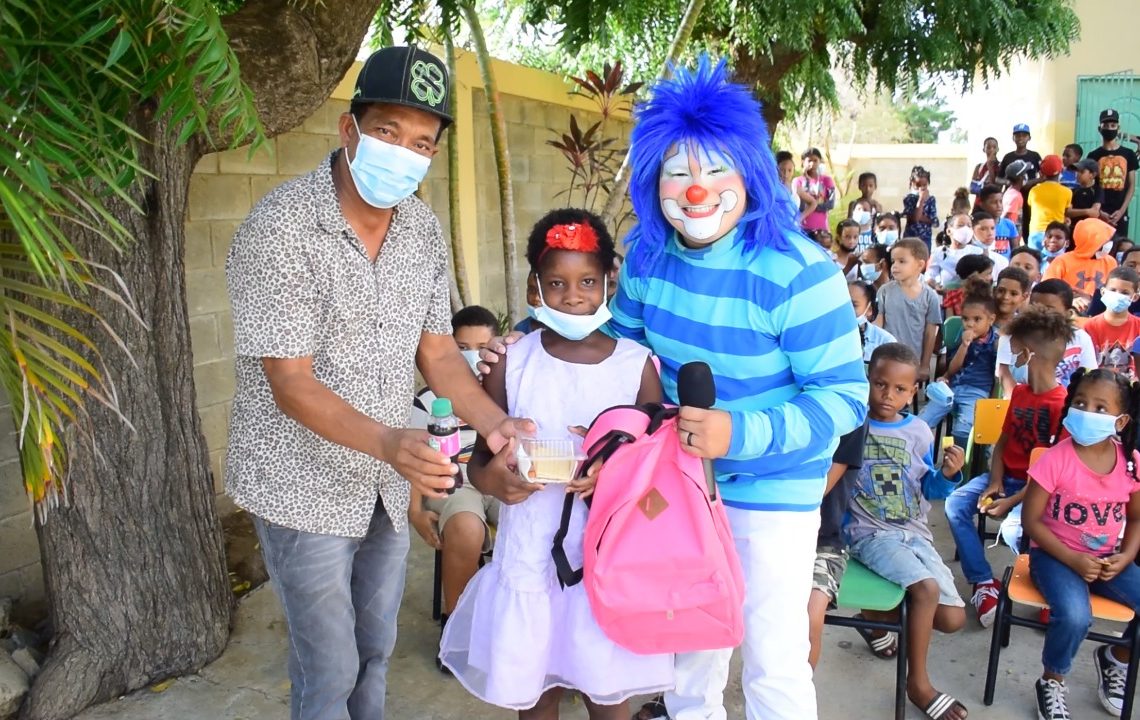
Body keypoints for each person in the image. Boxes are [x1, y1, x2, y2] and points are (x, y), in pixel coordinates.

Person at [482, 56, 869, 720]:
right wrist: (523, 338)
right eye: (678, 173)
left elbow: (843, 398)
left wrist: (739, 433)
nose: (697, 191)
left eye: (716, 170)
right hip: (678, 483)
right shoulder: (648, 259)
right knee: (687, 660)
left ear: (748, 172)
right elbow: (610, 341)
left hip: (775, 495)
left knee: (773, 664)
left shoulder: (801, 272)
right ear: (653, 181)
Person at [224, 46, 532, 720]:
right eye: (388, 132)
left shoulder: (420, 229)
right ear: (349, 129)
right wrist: (393, 443)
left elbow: (440, 355)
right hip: (300, 484)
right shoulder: (280, 228)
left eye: (422, 142)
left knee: (376, 648)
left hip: (388, 483)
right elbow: (290, 381)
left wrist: (495, 422)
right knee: (328, 667)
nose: (404, 153)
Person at [439, 210, 671, 717]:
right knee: (534, 691)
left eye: (587, 281)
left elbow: (657, 471)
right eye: (557, 283)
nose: (573, 295)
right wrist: (498, 484)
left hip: (605, 557)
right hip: (531, 553)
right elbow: (480, 464)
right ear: (535, 288)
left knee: (607, 693)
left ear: (609, 281)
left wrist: (614, 473)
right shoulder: (511, 363)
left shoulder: (636, 367)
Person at [846, 342, 967, 720]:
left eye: (899, 389)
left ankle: (873, 619)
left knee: (952, 619)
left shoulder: (918, 432)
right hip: (869, 532)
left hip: (914, 532)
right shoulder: (852, 425)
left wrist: (947, 475)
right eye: (880, 384)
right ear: (868, 380)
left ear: (913, 390)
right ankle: (919, 685)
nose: (888, 395)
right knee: (925, 590)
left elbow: (925, 487)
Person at [1022, 368, 1140, 719]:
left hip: (1107, 559)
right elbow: (1031, 522)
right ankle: (1052, 680)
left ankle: (1117, 658)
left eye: (1101, 408)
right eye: (1081, 402)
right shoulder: (1056, 459)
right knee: (1074, 616)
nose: (1087, 411)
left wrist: (1127, 555)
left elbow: (1135, 518)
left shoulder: (1130, 464)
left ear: (1120, 422)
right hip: (1054, 557)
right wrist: (1072, 559)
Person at [944, 307, 1071, 628]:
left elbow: (1052, 473)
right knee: (955, 504)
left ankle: (1047, 587)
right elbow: (1003, 441)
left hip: (1037, 492)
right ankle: (984, 582)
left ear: (1030, 355)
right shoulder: (1020, 393)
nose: (1011, 358)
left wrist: (1012, 502)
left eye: (1015, 351)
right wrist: (994, 482)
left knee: (1016, 530)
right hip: (1005, 480)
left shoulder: (1062, 405)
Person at [408, 305, 500, 671]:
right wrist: (414, 509)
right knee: (465, 528)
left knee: (532, 522)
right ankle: (456, 627)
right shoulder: (429, 400)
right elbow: (413, 459)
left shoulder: (508, 388)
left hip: (498, 479)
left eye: (482, 345)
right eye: (462, 346)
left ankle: (519, 625)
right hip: (452, 483)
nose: (473, 354)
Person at [808, 420, 869, 669]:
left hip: (822, 544)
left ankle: (794, 696)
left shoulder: (848, 415)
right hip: (757, 534)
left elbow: (814, 493)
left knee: (808, 615)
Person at [918, 281, 998, 447]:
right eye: (965, 319)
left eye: (977, 319)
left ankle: (957, 463)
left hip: (976, 392)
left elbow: (997, 374)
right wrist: (964, 346)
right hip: (952, 388)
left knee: (962, 430)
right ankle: (920, 455)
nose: (970, 324)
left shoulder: (994, 342)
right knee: (922, 422)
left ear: (991, 320)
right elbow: (953, 367)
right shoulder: (961, 337)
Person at [876, 238, 942, 381]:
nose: (895, 266)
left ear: (920, 265)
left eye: (902, 261)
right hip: (887, 357)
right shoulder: (885, 291)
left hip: (912, 361)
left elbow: (930, 334)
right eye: (893, 261)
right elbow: (878, 325)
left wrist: (924, 365)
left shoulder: (930, 296)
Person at [1087, 108, 1139, 238]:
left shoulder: (1129, 154)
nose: (1109, 128)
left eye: (1113, 125)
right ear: (1099, 129)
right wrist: (1099, 211)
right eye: (1106, 125)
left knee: (1120, 249)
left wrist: (1121, 211)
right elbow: (1091, 186)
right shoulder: (1093, 155)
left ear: (1118, 128)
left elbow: (1131, 185)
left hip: (1120, 212)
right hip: (1100, 212)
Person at [1042, 217, 1119, 301]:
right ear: (1091, 241)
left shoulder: (1111, 262)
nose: (1109, 244)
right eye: (1104, 241)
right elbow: (1047, 289)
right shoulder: (1062, 261)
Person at [1083, 266, 1140, 378]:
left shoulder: (1138, 326)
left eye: (1124, 293)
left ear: (1135, 297)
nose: (1118, 295)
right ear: (1103, 292)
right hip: (1098, 384)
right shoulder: (1090, 326)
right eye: (1113, 290)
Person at [999, 123, 1044, 239]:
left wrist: (1031, 182)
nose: (1020, 138)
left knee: (1029, 223)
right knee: (1013, 223)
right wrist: (1009, 182)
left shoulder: (1034, 156)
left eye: (1024, 135)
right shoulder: (1008, 157)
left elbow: (1043, 176)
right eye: (1017, 135)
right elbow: (997, 178)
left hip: (1031, 197)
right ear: (1013, 138)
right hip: (1014, 196)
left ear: (1029, 138)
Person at [1027, 155, 1073, 251]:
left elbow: (1031, 206)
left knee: (1034, 262)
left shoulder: (1034, 190)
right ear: (1060, 171)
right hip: (1055, 235)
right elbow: (1066, 211)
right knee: (1054, 264)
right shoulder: (1067, 192)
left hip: (1035, 232)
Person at [926, 212, 980, 291]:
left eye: (969, 226)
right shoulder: (940, 252)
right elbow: (930, 275)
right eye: (960, 225)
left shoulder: (977, 252)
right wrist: (936, 286)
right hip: (946, 296)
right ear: (949, 231)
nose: (965, 229)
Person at [850, 280, 896, 361]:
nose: (847, 309)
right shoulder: (830, 336)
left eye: (854, 305)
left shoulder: (885, 342)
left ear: (869, 310)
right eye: (844, 304)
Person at [1088, 246, 1140, 317]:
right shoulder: (1107, 292)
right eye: (1131, 265)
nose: (1138, 270)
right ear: (1121, 265)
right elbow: (1092, 319)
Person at [795, 147, 837, 234]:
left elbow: (830, 204)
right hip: (803, 229)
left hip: (821, 229)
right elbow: (801, 206)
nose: (812, 163)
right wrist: (806, 179)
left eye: (815, 160)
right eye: (809, 160)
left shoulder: (827, 180)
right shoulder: (798, 181)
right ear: (803, 162)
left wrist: (811, 205)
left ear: (820, 162)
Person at [979, 183, 1020, 256]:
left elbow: (1015, 249)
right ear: (982, 205)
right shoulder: (978, 226)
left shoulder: (1009, 224)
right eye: (994, 202)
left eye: (1000, 201)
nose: (999, 206)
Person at [903, 166, 938, 248]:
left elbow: (935, 222)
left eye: (924, 185)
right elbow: (915, 218)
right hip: (910, 237)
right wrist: (921, 200)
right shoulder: (909, 198)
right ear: (912, 183)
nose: (921, 188)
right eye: (918, 185)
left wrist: (920, 217)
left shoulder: (931, 200)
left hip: (925, 238)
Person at [995, 266, 1031, 330]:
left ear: (1024, 297)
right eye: (1001, 291)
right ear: (994, 290)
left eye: (1013, 294)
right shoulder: (980, 319)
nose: (1006, 297)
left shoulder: (1024, 328)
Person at [1003, 160, 1030, 239]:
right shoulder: (1015, 196)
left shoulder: (1010, 191)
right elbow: (1008, 217)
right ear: (1021, 177)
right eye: (1024, 174)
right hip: (1011, 235)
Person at [971, 137, 1001, 203]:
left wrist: (990, 167)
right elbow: (972, 188)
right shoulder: (979, 167)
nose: (991, 150)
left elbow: (997, 188)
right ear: (984, 149)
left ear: (997, 149)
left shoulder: (1000, 166)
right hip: (979, 203)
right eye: (988, 147)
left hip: (993, 204)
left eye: (994, 147)